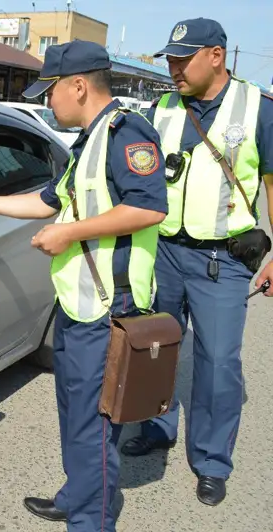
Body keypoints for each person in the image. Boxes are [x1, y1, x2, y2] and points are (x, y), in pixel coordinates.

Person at [0, 40, 168, 532]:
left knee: (94, 426)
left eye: (50, 92)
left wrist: (68, 233)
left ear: (77, 86)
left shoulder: (125, 133)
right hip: (78, 302)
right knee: (76, 416)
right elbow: (50, 199)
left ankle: (92, 521)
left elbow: (149, 207)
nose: (48, 103)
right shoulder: (88, 141)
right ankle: (78, 496)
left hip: (111, 307)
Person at [120, 17, 273, 507]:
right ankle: (157, 427)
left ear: (217, 55)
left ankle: (210, 460)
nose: (173, 68)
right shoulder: (161, 105)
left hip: (222, 259)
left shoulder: (258, 109)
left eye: (183, 59)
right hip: (162, 250)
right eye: (169, 59)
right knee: (156, 348)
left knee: (217, 364)